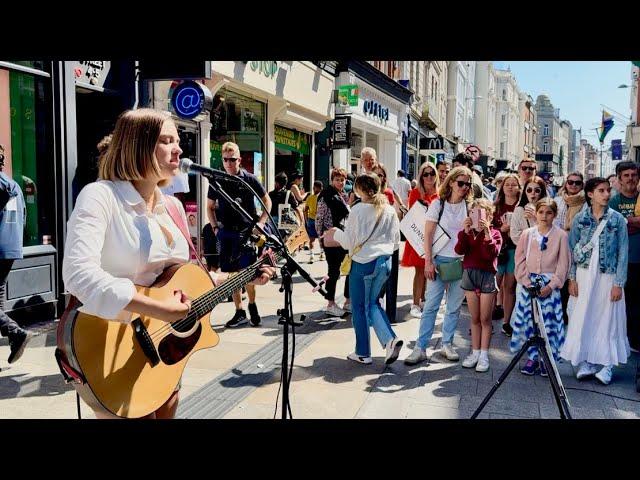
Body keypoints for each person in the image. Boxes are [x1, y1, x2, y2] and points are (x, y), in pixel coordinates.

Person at [62, 109, 274, 419]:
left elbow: (185, 282)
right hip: (112, 349)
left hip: (166, 354)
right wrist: (155, 309)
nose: (178, 149)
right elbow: (78, 274)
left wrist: (245, 277)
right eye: (166, 141)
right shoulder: (100, 197)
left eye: (177, 141)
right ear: (136, 145)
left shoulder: (171, 207)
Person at [323, 172, 403, 365]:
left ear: (359, 189)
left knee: (359, 307)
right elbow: (395, 241)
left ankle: (364, 351)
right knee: (373, 303)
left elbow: (349, 242)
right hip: (385, 261)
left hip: (364, 263)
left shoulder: (357, 210)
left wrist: (336, 233)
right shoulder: (390, 210)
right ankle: (389, 339)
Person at [562, 177, 630, 385]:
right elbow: (572, 250)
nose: (607, 194)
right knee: (585, 316)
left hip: (608, 275)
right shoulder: (580, 219)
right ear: (590, 194)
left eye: (608, 190)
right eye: (601, 190)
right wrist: (571, 278)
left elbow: (623, 253)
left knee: (609, 318)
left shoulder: (617, 219)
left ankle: (608, 365)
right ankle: (588, 361)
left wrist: (619, 282)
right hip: (584, 275)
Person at [405, 166, 474, 365]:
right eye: (460, 183)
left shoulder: (469, 207)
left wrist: (471, 229)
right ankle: (420, 347)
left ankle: (447, 344)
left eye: (467, 184)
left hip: (461, 262)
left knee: (453, 307)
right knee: (431, 307)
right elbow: (427, 234)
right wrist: (428, 261)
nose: (464, 187)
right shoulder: (438, 204)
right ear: (451, 182)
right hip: (439, 260)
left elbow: (473, 238)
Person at [206, 142, 272, 329]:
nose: (229, 163)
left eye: (232, 159)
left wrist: (261, 222)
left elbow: (267, 200)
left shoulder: (249, 179)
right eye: (225, 159)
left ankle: (251, 304)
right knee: (232, 274)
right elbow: (209, 206)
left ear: (239, 160)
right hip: (226, 232)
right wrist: (215, 228)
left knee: (248, 274)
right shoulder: (218, 180)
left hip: (246, 231)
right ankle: (239, 310)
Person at [510, 198, 570, 376]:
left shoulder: (561, 236)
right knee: (530, 322)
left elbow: (563, 264)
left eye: (549, 212)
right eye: (541, 212)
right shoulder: (527, 234)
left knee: (549, 324)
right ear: (535, 213)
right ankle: (532, 357)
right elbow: (519, 260)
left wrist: (552, 285)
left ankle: (546, 358)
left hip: (549, 284)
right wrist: (526, 282)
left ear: (554, 215)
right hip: (529, 284)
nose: (544, 216)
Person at [456, 198, 502, 372]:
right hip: (469, 275)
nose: (478, 217)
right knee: (474, 318)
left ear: (489, 216)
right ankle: (474, 352)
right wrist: (465, 231)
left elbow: (490, 255)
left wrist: (487, 233)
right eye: (474, 212)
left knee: (485, 319)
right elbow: (459, 250)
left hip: (487, 276)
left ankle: (484, 354)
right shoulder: (467, 233)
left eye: (483, 213)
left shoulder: (495, 233)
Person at [0, 144, 32, 364]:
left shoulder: (6, 184)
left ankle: (15, 332)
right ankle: (14, 335)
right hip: (10, 247)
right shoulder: (15, 185)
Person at [608, 161, 640, 373]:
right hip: (623, 261)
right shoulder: (613, 201)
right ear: (619, 179)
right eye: (626, 175)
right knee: (624, 304)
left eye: (633, 175)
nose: (630, 178)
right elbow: (614, 228)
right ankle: (625, 341)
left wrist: (627, 222)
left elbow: (622, 223)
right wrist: (633, 222)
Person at [401, 162, 439, 318]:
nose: (429, 177)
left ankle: (423, 300)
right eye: (426, 174)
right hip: (418, 236)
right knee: (419, 270)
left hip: (434, 238)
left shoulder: (439, 194)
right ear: (421, 177)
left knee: (428, 271)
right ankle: (415, 303)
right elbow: (413, 215)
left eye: (432, 173)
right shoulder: (416, 193)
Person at [315, 168, 350, 316]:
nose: (340, 182)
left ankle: (348, 301)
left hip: (343, 237)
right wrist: (320, 238)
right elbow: (319, 218)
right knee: (333, 271)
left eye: (342, 180)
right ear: (331, 180)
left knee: (348, 269)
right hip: (331, 238)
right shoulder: (326, 196)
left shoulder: (343, 195)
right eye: (337, 179)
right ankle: (330, 303)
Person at [553, 171, 586, 324]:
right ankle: (557, 318)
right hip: (557, 247)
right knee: (557, 282)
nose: (573, 185)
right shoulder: (557, 200)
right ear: (565, 183)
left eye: (577, 183)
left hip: (576, 249)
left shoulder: (587, 203)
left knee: (572, 284)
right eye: (570, 182)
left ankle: (569, 320)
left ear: (582, 185)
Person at [492, 173, 521, 336]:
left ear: (518, 188)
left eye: (513, 184)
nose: (510, 187)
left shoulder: (522, 207)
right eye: (507, 184)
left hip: (514, 250)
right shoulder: (495, 206)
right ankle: (486, 320)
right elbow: (486, 229)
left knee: (510, 287)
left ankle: (506, 322)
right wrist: (500, 230)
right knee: (494, 286)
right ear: (502, 187)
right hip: (497, 250)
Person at [509, 176, 548, 246]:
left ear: (542, 192)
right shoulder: (519, 210)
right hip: (525, 251)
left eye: (537, 190)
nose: (533, 193)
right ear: (525, 192)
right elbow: (514, 235)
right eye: (529, 190)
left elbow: (549, 234)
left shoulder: (548, 210)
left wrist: (536, 219)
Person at [268, 172, 302, 239]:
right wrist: (301, 221)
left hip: (273, 222)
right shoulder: (289, 194)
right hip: (285, 223)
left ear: (277, 183)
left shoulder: (271, 194)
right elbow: (297, 208)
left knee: (273, 241)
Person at [304, 180, 323, 263]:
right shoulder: (322, 198)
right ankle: (321, 254)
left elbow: (305, 210)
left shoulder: (310, 197)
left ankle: (311, 256)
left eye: (314, 187)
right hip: (320, 221)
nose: (313, 188)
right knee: (320, 239)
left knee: (311, 239)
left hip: (311, 220)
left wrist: (306, 220)